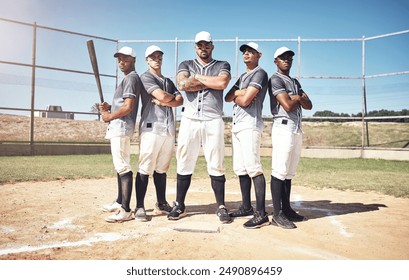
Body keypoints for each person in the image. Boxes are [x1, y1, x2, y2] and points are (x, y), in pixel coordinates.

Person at [167, 31, 232, 223]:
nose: (203, 48)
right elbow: (182, 84)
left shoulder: (222, 65)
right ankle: (180, 204)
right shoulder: (185, 64)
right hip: (190, 118)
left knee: (216, 162)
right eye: (199, 45)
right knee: (185, 160)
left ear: (212, 46)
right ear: (195, 47)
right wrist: (206, 82)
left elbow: (222, 82)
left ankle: (220, 206)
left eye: (206, 44)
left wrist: (197, 78)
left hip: (213, 118)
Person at [135, 45, 183, 221]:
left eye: (159, 56)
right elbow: (162, 96)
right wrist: (168, 99)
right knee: (145, 167)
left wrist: (166, 102)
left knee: (162, 168)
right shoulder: (146, 76)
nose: (156, 59)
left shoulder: (168, 81)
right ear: (147, 60)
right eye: (152, 57)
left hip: (168, 129)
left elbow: (180, 100)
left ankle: (161, 203)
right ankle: (139, 206)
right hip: (151, 127)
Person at [225, 42, 269, 229]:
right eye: (244, 51)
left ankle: (261, 213)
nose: (246, 54)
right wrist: (240, 92)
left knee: (253, 167)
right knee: (240, 168)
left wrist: (239, 94)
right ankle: (246, 207)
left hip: (250, 124)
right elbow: (228, 97)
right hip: (237, 125)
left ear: (259, 55)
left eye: (251, 52)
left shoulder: (260, 73)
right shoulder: (243, 76)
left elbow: (244, 101)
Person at [268, 46, 313, 229]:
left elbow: (309, 105)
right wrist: (298, 98)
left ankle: (286, 210)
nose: (286, 59)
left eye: (289, 57)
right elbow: (286, 105)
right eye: (282, 57)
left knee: (289, 172)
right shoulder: (275, 79)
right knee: (279, 170)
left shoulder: (294, 81)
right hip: (283, 127)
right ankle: (277, 215)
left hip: (296, 128)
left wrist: (297, 97)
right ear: (276, 61)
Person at [100, 46, 144, 223]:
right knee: (121, 166)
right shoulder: (127, 79)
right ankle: (120, 202)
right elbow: (122, 105)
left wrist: (109, 116)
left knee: (123, 167)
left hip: (121, 126)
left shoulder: (132, 78)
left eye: (125, 58)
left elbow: (128, 107)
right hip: (120, 126)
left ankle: (125, 210)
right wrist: (110, 108)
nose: (121, 62)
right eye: (119, 59)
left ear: (133, 60)